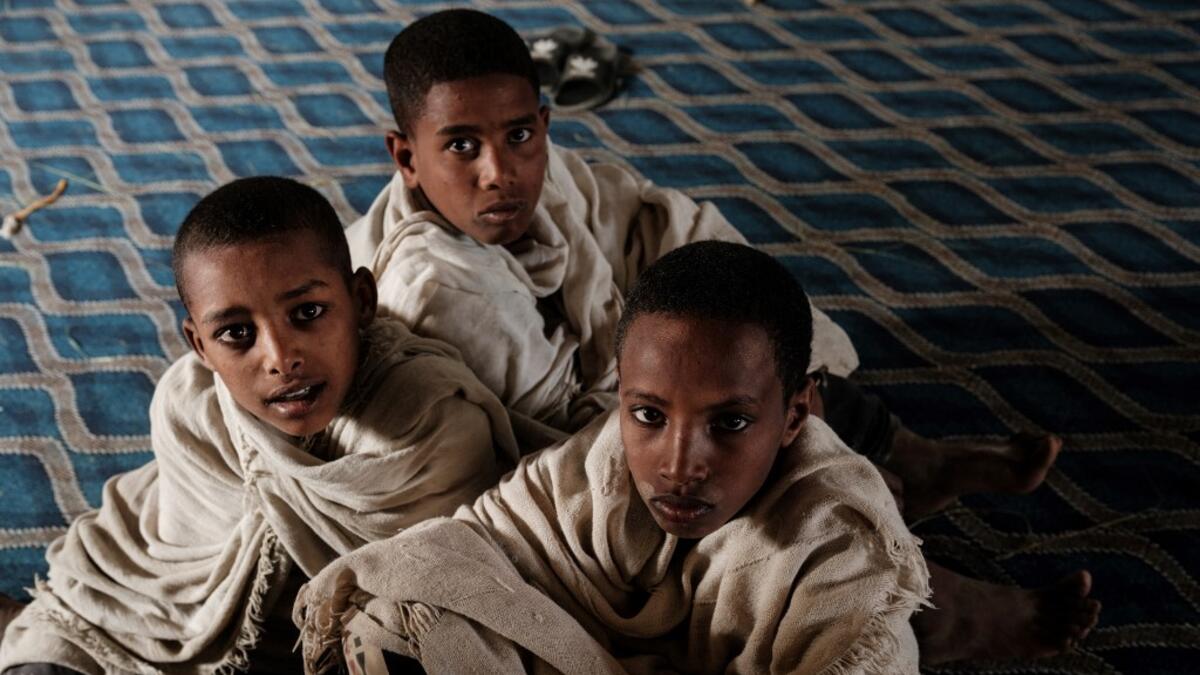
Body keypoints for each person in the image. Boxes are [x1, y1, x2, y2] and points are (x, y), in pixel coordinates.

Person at [347, 9, 1099, 665]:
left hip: (629, 395)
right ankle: (943, 607)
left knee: (753, 350)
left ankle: (914, 460)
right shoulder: (436, 284)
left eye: (518, 136)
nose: (499, 172)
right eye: (462, 148)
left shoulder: (551, 183)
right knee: (767, 507)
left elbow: (650, 224)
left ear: (544, 122)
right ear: (405, 157)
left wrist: (700, 342)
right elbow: (559, 442)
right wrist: (666, 387)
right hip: (569, 466)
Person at [295, 241, 931, 674]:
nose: (679, 464)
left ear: (795, 416)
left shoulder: (839, 544)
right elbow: (468, 549)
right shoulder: (586, 472)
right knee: (388, 621)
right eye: (649, 415)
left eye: (730, 422)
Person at [0, 177, 518, 674]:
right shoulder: (193, 410)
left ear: (362, 301)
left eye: (309, 311)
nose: (280, 357)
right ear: (199, 345)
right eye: (237, 333)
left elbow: (443, 602)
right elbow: (164, 589)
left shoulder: (431, 422)